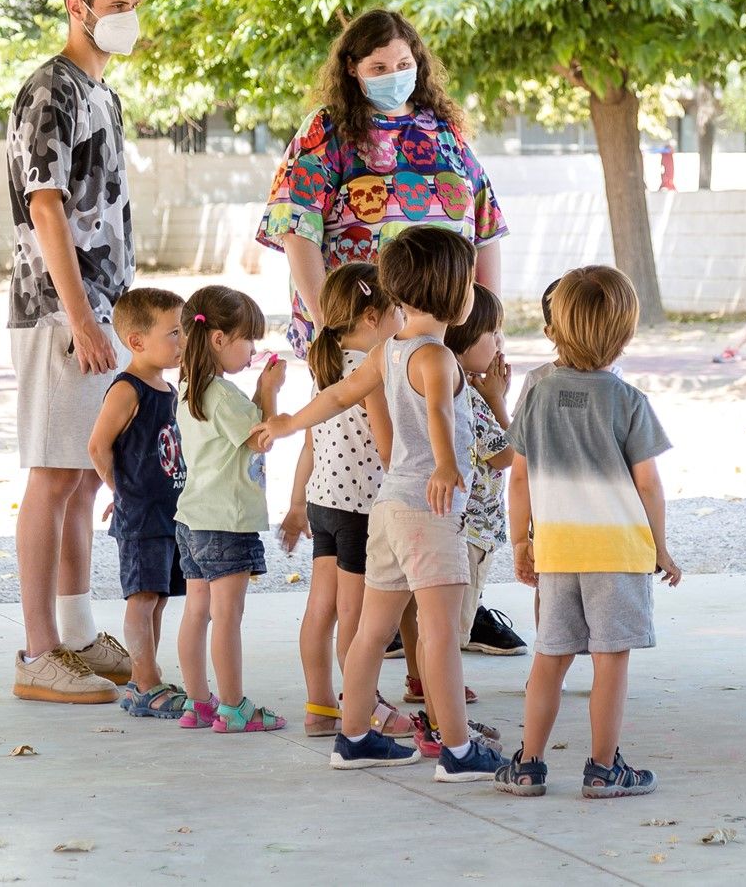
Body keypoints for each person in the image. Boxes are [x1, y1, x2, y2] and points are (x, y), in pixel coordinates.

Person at [253, 227, 504, 779]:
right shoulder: (436, 357)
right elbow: (439, 413)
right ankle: (459, 751)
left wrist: (290, 422)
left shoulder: (389, 351)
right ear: (453, 294)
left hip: (387, 509)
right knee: (438, 631)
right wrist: (445, 465)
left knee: (369, 629)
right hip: (427, 508)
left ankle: (355, 734)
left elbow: (339, 394)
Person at [5, 0, 151, 704]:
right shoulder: (50, 91)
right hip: (59, 314)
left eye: (135, 8)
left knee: (81, 480)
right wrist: (80, 317)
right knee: (53, 473)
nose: (129, 21)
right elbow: (46, 204)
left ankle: (75, 633)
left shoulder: (104, 96)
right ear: (78, 6)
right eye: (119, 7)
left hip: (101, 314)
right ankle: (37, 650)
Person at [495, 265, 680, 800]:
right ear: (624, 334)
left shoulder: (536, 393)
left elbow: (520, 476)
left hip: (557, 550)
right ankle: (603, 769)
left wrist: (522, 542)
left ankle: (528, 765)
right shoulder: (629, 401)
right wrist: (660, 548)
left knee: (549, 658)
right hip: (617, 554)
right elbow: (649, 485)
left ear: (558, 326)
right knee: (609, 663)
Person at [257, 8, 507, 359]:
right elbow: (297, 229)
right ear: (351, 68)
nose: (394, 76)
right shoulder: (325, 130)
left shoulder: (445, 131)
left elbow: (486, 230)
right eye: (379, 68)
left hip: (445, 339)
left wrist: (488, 326)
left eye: (404, 65)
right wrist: (329, 327)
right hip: (360, 334)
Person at [278, 264, 412, 740]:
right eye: (397, 310)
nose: (403, 318)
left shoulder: (326, 367)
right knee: (355, 617)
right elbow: (387, 445)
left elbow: (311, 445)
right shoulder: (370, 371)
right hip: (360, 507)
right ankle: (365, 706)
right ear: (373, 316)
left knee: (321, 609)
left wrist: (297, 503)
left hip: (323, 501)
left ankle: (319, 705)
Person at [171, 285, 291, 734]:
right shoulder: (222, 396)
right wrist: (270, 391)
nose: (253, 350)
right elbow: (263, 437)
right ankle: (235, 708)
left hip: (193, 518)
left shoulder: (190, 389)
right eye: (248, 340)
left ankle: (199, 703)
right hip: (226, 522)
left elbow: (244, 432)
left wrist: (258, 389)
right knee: (228, 617)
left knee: (197, 611)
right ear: (218, 339)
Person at [85, 286, 188, 718]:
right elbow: (97, 446)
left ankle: (147, 678)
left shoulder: (167, 387)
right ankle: (144, 681)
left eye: (184, 331)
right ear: (137, 342)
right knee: (142, 598)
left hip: (171, 512)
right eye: (174, 333)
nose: (182, 342)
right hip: (143, 514)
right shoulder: (128, 390)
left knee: (158, 597)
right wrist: (120, 491)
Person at [447, 284, 528, 658]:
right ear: (460, 340)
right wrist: (498, 399)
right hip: (471, 530)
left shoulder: (447, 385)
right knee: (454, 623)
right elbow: (506, 454)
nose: (500, 342)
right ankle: (443, 696)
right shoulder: (469, 396)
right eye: (491, 333)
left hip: (449, 523)